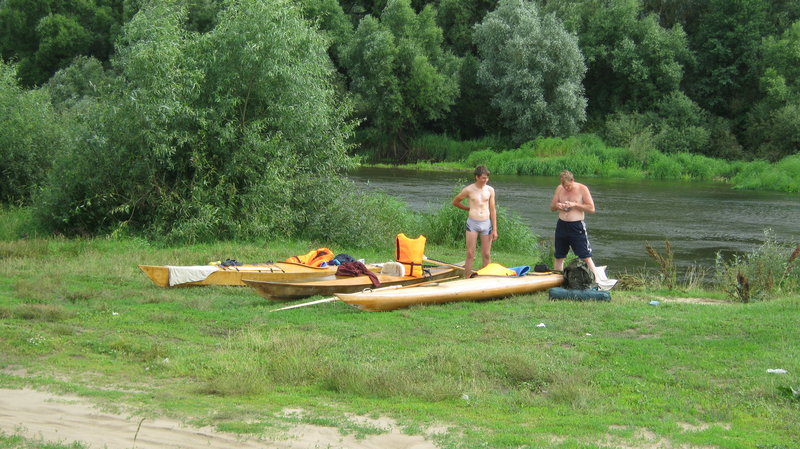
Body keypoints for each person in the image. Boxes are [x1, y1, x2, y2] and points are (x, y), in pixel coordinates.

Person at [549, 170, 598, 277]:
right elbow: (552, 207)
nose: (566, 188)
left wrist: (574, 204)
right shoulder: (559, 188)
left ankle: (597, 280)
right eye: (563, 185)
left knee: (585, 255)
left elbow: (591, 208)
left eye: (568, 186)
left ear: (573, 180)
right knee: (559, 255)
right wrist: (558, 205)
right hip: (562, 225)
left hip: (576, 226)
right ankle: (557, 280)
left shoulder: (582, 189)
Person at [452, 165, 498, 278]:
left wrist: (495, 229)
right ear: (477, 177)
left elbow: (492, 209)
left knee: (486, 254)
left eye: (487, 178)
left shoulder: (490, 190)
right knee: (470, 253)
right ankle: (467, 277)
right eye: (483, 178)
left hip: (486, 224)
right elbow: (455, 202)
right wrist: (467, 208)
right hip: (473, 223)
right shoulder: (468, 189)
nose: (485, 180)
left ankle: (486, 277)